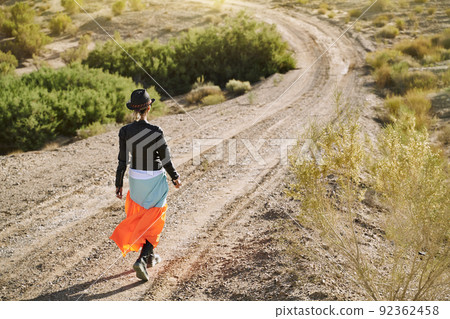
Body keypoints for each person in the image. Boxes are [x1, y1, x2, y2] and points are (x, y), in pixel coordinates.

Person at [110, 89, 181, 282]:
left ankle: (149, 257)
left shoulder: (125, 131)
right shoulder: (156, 131)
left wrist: (118, 184)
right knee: (156, 216)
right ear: (149, 107)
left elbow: (122, 161)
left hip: (135, 178)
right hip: (154, 177)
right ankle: (141, 259)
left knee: (143, 214)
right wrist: (175, 177)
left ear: (133, 109)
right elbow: (165, 159)